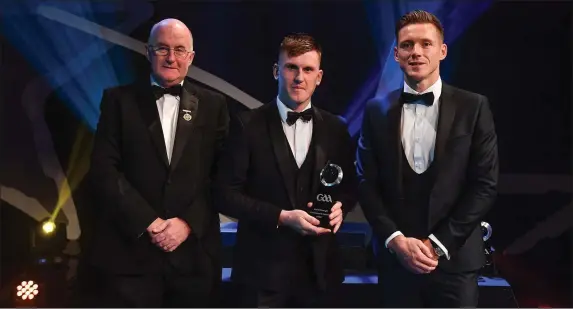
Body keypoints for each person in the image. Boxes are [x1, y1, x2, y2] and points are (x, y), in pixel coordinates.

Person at [356, 10, 499, 308]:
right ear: (396, 54)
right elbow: (366, 182)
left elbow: (484, 184)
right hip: (396, 263)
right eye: (407, 45)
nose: (416, 52)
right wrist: (395, 239)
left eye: (426, 44)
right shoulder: (375, 110)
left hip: (455, 262)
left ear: (442, 50)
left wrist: (436, 245)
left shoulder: (474, 107)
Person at [85, 18, 229, 307]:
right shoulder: (118, 101)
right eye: (162, 48)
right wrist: (148, 222)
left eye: (179, 50)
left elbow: (223, 176)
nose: (171, 58)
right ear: (148, 52)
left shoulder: (215, 105)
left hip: (194, 261)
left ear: (191, 57)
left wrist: (187, 223)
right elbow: (104, 170)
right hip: (130, 259)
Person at [214, 33, 357, 307]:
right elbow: (225, 194)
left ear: (319, 76)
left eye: (307, 69)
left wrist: (342, 206)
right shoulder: (246, 126)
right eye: (291, 67)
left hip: (320, 275)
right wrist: (281, 216)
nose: (299, 77)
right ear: (276, 71)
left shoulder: (336, 129)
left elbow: (348, 187)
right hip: (261, 276)